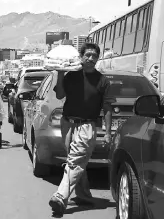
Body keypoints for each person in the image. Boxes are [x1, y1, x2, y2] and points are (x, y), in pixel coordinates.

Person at [49, 42, 114, 216]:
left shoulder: (103, 81)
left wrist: (108, 133)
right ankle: (84, 195)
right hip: (67, 124)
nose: (91, 58)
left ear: (98, 58)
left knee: (75, 160)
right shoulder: (71, 76)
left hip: (87, 125)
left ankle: (60, 197)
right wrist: (61, 74)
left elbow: (107, 108)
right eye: (88, 55)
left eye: (94, 56)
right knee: (76, 160)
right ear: (81, 57)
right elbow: (60, 95)